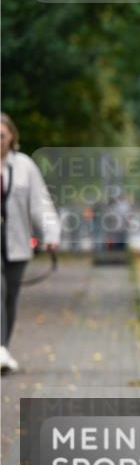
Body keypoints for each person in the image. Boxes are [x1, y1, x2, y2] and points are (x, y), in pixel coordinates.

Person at [1, 112, 60, 374]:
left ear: (12, 136)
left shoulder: (24, 166)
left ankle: (3, 348)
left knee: (10, 298)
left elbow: (40, 202)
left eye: (1, 135)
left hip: (16, 243)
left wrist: (51, 235)